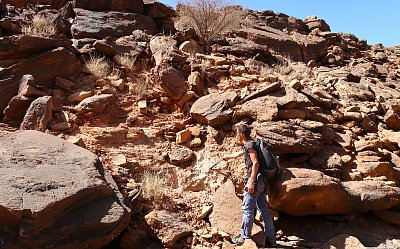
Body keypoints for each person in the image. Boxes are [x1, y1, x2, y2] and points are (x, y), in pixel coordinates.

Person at [223, 124, 277, 247]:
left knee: (247, 210)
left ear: (242, 133)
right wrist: (228, 157)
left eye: (237, 132)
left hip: (255, 182)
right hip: (261, 182)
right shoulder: (253, 144)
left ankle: (244, 237)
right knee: (264, 210)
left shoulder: (249, 145)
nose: (236, 135)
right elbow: (243, 153)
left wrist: (251, 181)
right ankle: (272, 240)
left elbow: (255, 163)